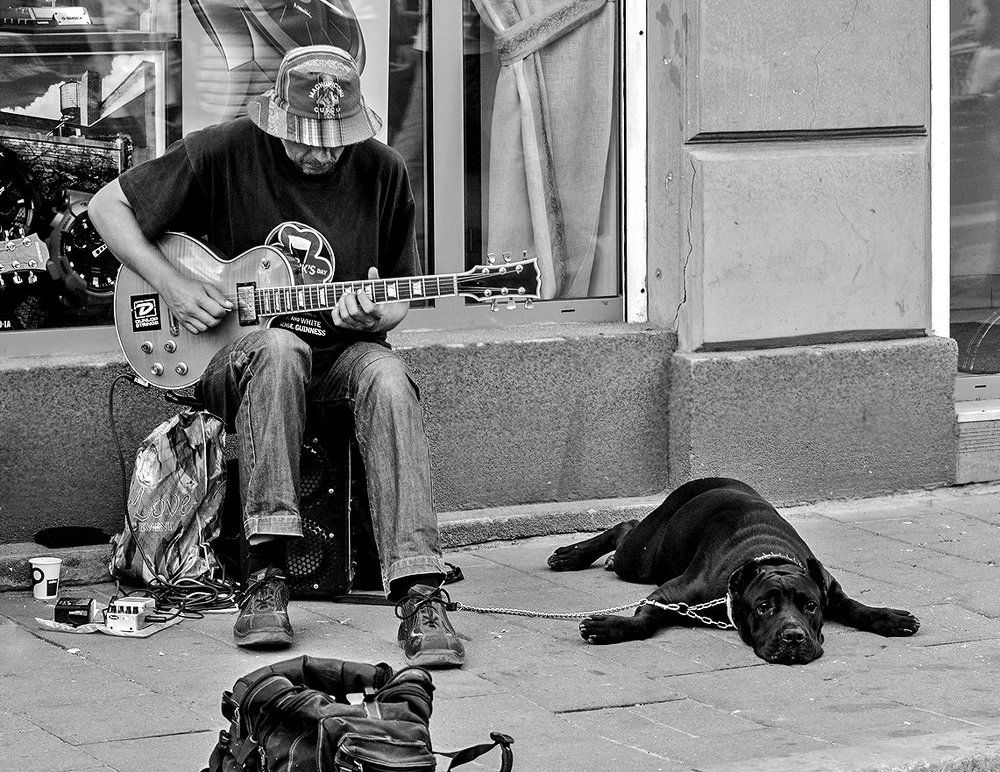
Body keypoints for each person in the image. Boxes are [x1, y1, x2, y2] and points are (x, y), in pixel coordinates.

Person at [88, 45, 465, 668]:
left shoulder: (384, 170)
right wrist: (175, 285)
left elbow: (400, 294)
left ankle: (419, 587)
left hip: (341, 357)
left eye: (334, 139)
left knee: (391, 375)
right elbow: (108, 207)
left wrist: (375, 316)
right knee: (279, 347)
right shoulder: (224, 150)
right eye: (305, 138)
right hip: (231, 357)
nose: (320, 151)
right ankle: (265, 575)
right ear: (277, 117)